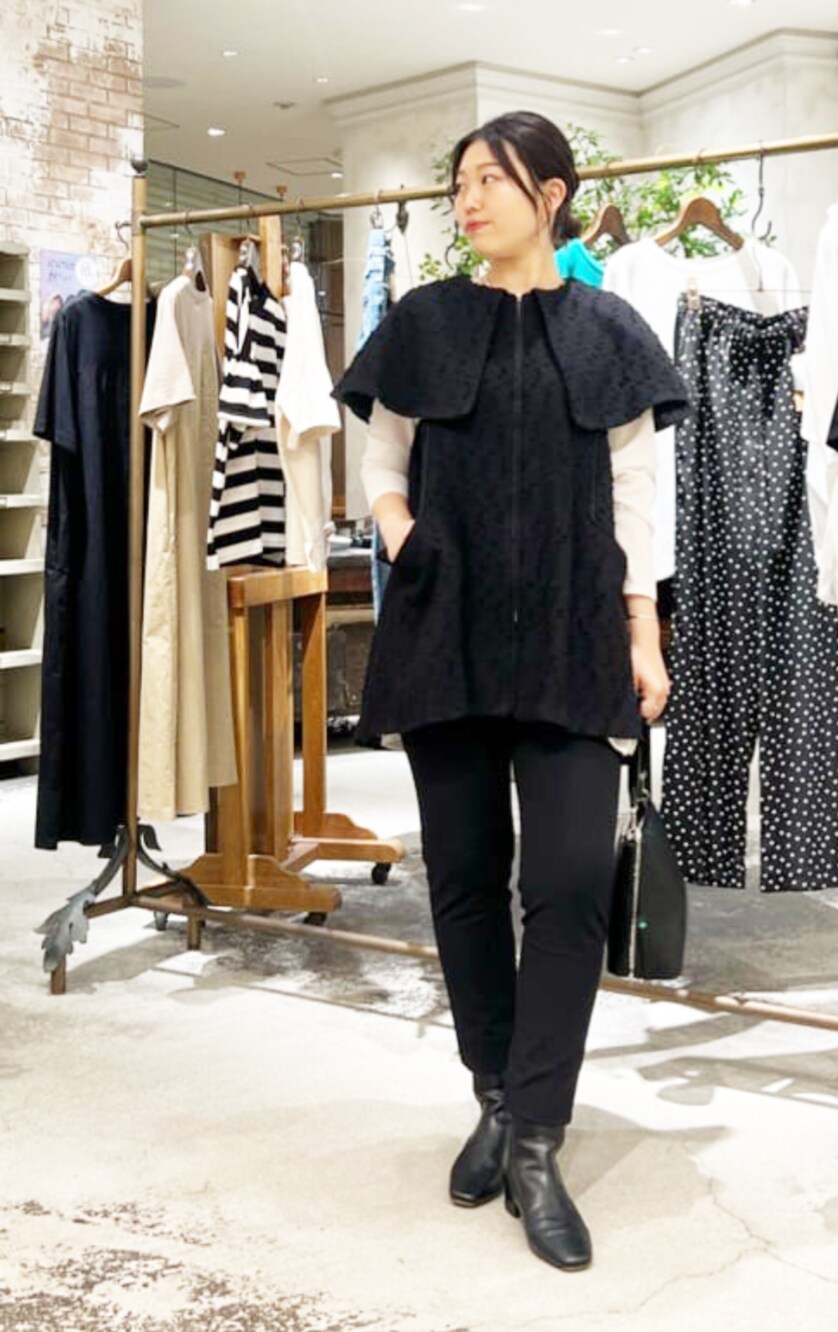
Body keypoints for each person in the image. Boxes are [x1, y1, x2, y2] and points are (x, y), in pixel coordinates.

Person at [336, 110, 689, 1271]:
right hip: (447, 629)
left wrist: (642, 631)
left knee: (572, 881)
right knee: (465, 876)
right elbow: (381, 458)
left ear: (551, 193)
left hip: (578, 633)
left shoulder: (609, 329)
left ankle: (537, 1134)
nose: (468, 199)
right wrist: (408, 538)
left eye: (491, 179)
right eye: (460, 183)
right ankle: (497, 1094)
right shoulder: (425, 320)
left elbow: (635, 496)